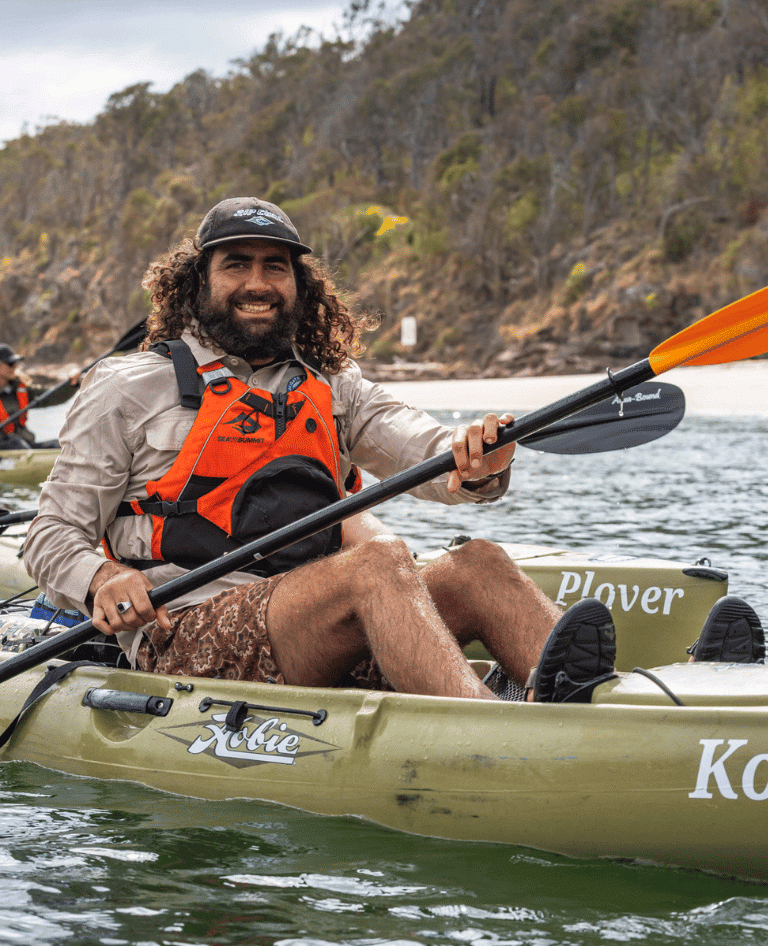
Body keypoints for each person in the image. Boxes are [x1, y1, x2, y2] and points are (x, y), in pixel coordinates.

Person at [24, 196, 575, 700]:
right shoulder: (128, 386)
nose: (258, 282)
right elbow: (50, 536)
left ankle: (598, 705)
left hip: (321, 621)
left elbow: (421, 445)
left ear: (299, 285)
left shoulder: (335, 384)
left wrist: (477, 457)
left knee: (478, 564)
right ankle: (489, 733)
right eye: (237, 264)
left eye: (275, 266)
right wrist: (100, 578)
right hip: (186, 629)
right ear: (198, 283)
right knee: (377, 563)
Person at [0, 345, 79, 449]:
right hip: (7, 449)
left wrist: (71, 385)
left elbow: (50, 396)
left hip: (24, 445)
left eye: (16, 363)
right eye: (10, 363)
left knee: (60, 446)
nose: (15, 366)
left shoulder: (21, 390)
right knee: (17, 444)